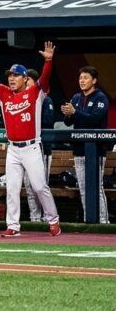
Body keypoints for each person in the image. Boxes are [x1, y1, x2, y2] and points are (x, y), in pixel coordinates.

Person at [0, 41, 61, 237]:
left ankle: (54, 220)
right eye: (9, 75)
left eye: (16, 75)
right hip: (13, 149)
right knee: (12, 188)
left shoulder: (35, 93)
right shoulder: (3, 94)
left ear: (25, 78)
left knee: (39, 186)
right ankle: (13, 226)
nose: (11, 78)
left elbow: (45, 78)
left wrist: (49, 60)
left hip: (32, 147)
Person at [60, 66, 110, 224]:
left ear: (94, 81)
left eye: (86, 78)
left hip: (96, 150)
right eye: (80, 78)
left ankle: (103, 221)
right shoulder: (76, 98)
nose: (82, 81)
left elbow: (94, 119)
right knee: (82, 187)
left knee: (96, 186)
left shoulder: (101, 98)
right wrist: (68, 114)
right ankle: (89, 220)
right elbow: (68, 122)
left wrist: (75, 113)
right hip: (79, 149)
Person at [24, 68, 56, 223]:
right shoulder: (22, 99)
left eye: (27, 79)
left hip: (42, 148)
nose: (24, 82)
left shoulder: (45, 99)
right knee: (29, 187)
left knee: (40, 187)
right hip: (24, 150)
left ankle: (47, 217)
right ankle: (35, 218)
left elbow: (48, 121)